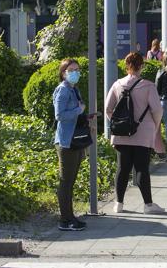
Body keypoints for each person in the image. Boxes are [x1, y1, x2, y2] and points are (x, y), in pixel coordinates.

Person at [105, 52, 166, 214]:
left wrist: (119, 122)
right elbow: (157, 110)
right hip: (143, 132)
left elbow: (107, 109)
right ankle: (148, 205)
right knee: (141, 168)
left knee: (122, 168)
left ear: (126, 65)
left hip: (121, 134)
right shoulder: (148, 86)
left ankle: (118, 203)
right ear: (142, 66)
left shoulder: (117, 84)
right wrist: (153, 125)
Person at [53, 58, 94, 231]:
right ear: (63, 73)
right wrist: (79, 110)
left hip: (75, 139)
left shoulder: (73, 89)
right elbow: (59, 115)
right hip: (66, 141)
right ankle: (65, 220)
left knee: (71, 180)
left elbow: (75, 111)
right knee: (66, 181)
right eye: (71, 70)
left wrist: (85, 115)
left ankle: (70, 217)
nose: (75, 72)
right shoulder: (63, 90)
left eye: (77, 69)